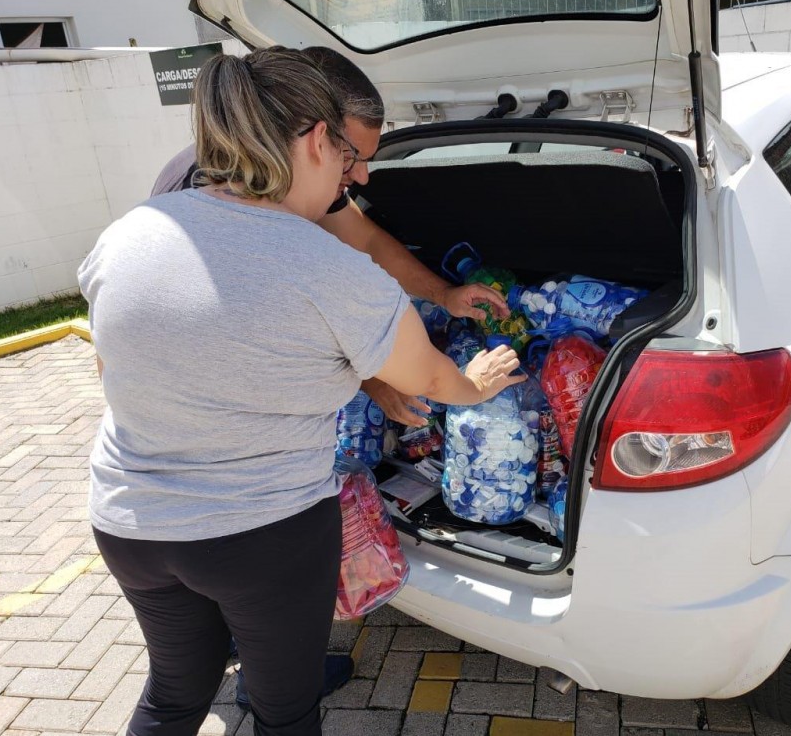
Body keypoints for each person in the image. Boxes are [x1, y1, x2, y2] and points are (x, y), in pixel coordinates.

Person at [78, 46, 524, 736]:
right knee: (285, 713)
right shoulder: (325, 267)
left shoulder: (130, 232)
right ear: (317, 140)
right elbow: (433, 378)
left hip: (129, 521)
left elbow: (116, 367)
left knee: (172, 695)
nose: (358, 178)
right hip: (258, 536)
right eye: (351, 163)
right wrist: (478, 382)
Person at [151, 46, 508, 429]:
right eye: (350, 155)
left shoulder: (138, 231)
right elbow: (238, 339)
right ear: (317, 137)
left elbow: (365, 240)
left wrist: (443, 294)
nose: (362, 176)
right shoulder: (194, 199)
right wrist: (375, 377)